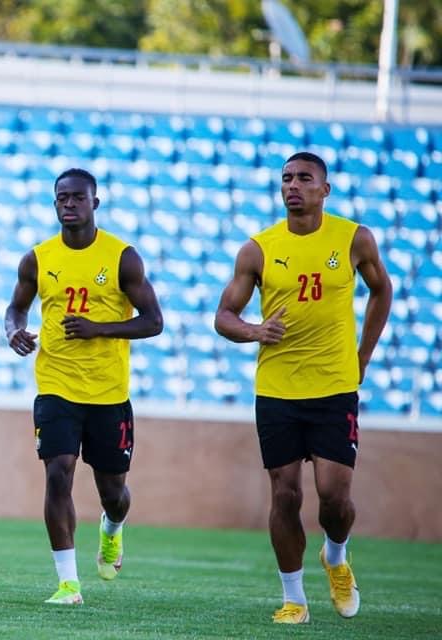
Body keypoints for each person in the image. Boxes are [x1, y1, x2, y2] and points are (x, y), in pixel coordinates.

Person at [214, 151, 392, 624]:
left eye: (304, 178)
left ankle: (335, 556)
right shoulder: (258, 249)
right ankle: (294, 599)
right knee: (286, 495)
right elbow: (223, 317)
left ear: (324, 190)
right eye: (286, 178)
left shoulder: (354, 239)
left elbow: (382, 290)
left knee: (334, 496)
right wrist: (254, 331)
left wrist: (363, 357)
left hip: (334, 386)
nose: (293, 185)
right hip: (277, 390)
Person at [5, 168, 163, 605]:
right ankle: (68, 583)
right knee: (58, 474)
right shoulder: (38, 258)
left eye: (77, 197)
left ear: (95, 202)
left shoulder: (121, 257)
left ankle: (112, 530)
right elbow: (15, 308)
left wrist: (99, 329)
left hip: (108, 394)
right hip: (55, 385)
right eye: (61, 197)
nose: (68, 204)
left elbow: (154, 321)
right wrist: (13, 331)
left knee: (113, 493)